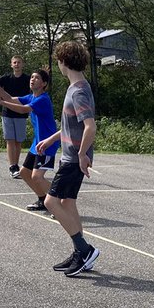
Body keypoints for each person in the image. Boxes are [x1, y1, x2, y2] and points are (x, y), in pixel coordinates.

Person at [38, 41, 99, 277]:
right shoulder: (77, 87)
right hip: (71, 155)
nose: (58, 65)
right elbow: (71, 125)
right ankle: (80, 254)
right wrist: (52, 139)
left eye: (58, 61)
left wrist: (82, 154)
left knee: (50, 202)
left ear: (64, 61)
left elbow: (90, 127)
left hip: (73, 158)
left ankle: (85, 250)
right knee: (68, 202)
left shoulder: (79, 91)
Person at [0, 68, 58, 211]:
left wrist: (2, 103)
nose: (32, 79)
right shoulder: (32, 97)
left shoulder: (43, 99)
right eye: (32, 77)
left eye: (37, 78)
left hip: (48, 143)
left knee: (37, 176)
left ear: (44, 84)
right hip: (37, 143)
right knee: (25, 173)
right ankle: (43, 199)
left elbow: (23, 109)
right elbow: (9, 98)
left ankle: (59, 203)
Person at [0, 55, 30, 178]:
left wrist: (45, 76)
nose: (17, 64)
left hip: (21, 112)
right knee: (10, 140)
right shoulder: (6, 78)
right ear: (11, 65)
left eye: (19, 62)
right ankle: (13, 166)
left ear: (23, 64)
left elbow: (39, 88)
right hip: (7, 113)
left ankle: (16, 165)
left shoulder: (28, 79)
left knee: (18, 142)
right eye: (14, 62)